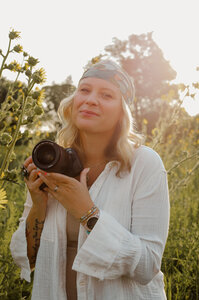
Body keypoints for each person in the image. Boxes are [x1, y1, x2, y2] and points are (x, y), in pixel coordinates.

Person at [10, 60, 170, 300]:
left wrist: (87, 213)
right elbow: (28, 259)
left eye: (106, 95)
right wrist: (39, 204)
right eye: (84, 90)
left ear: (121, 112)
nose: (91, 99)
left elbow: (147, 266)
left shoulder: (144, 164)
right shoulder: (53, 162)